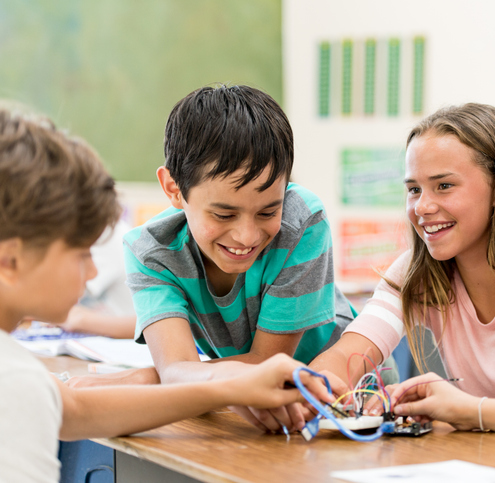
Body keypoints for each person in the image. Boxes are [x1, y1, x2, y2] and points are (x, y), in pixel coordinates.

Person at [0, 107, 331, 483]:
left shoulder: (19, 376)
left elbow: (72, 409)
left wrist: (201, 383)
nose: (93, 272)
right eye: (81, 254)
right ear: (9, 261)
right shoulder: (15, 382)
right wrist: (223, 384)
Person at [310, 103, 495, 434]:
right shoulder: (415, 272)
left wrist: (463, 411)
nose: (422, 207)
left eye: (444, 186)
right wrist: (323, 392)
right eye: (414, 189)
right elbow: (347, 355)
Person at [94, 84, 355, 433]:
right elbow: (176, 371)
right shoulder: (151, 251)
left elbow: (266, 363)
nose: (246, 236)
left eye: (267, 212)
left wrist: (151, 379)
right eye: (223, 215)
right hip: (251, 415)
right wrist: (174, 377)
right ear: (174, 188)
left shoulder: (301, 221)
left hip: (346, 407)